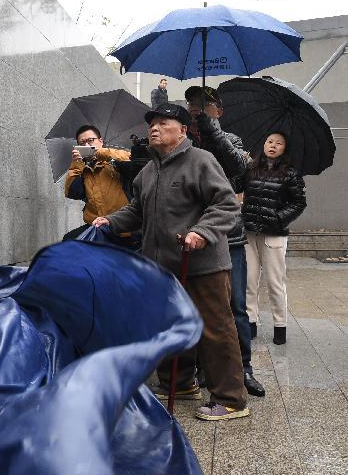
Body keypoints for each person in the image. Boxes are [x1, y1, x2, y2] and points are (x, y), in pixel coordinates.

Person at [93, 103, 249, 421]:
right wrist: (109, 221)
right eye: (152, 123)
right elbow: (137, 211)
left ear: (182, 130)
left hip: (203, 265)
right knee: (170, 326)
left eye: (164, 123)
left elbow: (226, 204)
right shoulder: (148, 171)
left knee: (215, 329)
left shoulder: (202, 161)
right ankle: (179, 384)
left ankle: (231, 398)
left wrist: (202, 232)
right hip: (164, 268)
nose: (154, 128)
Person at [185, 86, 265, 397]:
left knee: (236, 307)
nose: (196, 107)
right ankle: (204, 367)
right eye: (192, 103)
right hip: (194, 236)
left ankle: (244, 368)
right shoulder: (184, 143)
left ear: (219, 110)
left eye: (204, 103)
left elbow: (238, 168)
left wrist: (211, 130)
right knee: (199, 305)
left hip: (229, 237)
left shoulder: (233, 141)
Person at [242, 132, 307, 345]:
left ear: (284, 149)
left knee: (275, 283)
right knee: (249, 281)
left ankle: (280, 326)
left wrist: (278, 219)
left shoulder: (290, 174)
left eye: (278, 143)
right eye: (270, 141)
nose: (272, 145)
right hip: (250, 232)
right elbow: (237, 187)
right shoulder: (251, 169)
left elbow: (299, 203)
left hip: (274, 235)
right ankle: (250, 323)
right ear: (264, 144)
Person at [62, 125, 131, 241]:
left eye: (90, 140)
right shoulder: (83, 169)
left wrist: (99, 153)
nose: (87, 145)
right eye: (82, 143)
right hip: (97, 227)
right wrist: (77, 164)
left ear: (100, 141)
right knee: (69, 240)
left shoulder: (113, 160)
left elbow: (130, 159)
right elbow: (71, 192)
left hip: (123, 227)